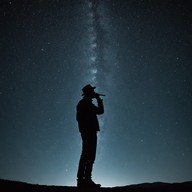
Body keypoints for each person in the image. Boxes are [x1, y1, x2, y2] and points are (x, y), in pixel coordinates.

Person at [76, 84, 104, 188]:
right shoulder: (83, 103)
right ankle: (82, 180)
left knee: (91, 156)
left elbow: (101, 111)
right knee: (86, 155)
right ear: (88, 93)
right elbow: (79, 119)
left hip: (91, 132)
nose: (93, 92)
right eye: (92, 91)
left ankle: (87, 179)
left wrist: (99, 99)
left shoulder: (88, 104)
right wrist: (85, 130)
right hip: (88, 132)